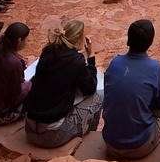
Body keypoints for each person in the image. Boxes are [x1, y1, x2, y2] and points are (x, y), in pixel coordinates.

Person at [102, 20, 160, 159]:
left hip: (110, 143)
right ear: (150, 42)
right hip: (139, 146)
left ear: (128, 39)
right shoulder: (155, 68)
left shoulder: (115, 63)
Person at [24, 20, 102, 148]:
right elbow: (90, 88)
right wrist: (91, 59)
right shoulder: (76, 60)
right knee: (97, 97)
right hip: (52, 135)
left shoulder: (48, 51)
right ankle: (87, 137)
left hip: (30, 128)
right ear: (79, 39)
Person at [0, 22, 32, 124]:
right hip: (1, 114)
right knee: (32, 85)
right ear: (19, 40)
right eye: (26, 39)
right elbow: (15, 93)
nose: (27, 42)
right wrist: (28, 85)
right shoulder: (13, 62)